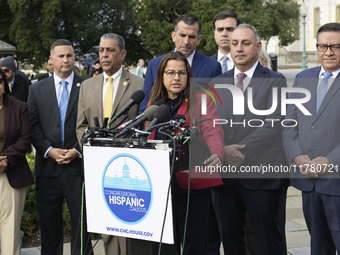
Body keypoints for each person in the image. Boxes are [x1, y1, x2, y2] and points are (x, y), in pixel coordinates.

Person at [211, 24, 287, 255]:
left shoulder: (275, 80)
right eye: (234, 44)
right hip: (225, 179)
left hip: (261, 175)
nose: (239, 49)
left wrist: (236, 151)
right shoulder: (216, 82)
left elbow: (273, 123)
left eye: (245, 43)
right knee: (232, 241)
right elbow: (209, 124)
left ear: (258, 47)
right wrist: (222, 150)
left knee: (266, 241)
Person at [146, 51, 224, 255]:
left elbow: (213, 129)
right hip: (161, 186)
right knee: (164, 247)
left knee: (194, 245)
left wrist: (216, 152)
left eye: (181, 73)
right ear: (161, 76)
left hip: (193, 184)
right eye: (170, 72)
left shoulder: (201, 99)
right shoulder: (154, 105)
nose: (176, 78)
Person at [76, 33, 144, 255]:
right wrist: (92, 150)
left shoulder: (140, 84)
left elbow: (145, 124)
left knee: (130, 227)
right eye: (101, 50)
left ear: (123, 54)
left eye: (110, 50)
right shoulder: (87, 86)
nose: (104, 55)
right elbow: (81, 125)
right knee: (108, 229)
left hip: (130, 166)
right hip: (100, 168)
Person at [27, 39, 93, 255]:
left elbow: (92, 124)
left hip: (78, 169)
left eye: (70, 55)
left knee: (81, 226)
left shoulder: (87, 86)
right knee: (49, 228)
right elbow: (33, 125)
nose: (66, 60)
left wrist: (77, 150)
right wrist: (48, 150)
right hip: (48, 169)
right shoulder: (36, 90)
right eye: (61, 56)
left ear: (75, 58)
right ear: (51, 60)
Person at [282, 22, 340, 255]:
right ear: (316, 47)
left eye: (335, 46)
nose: (329, 51)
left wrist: (329, 160)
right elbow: (289, 124)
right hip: (307, 181)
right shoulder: (302, 77)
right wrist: (298, 156)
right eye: (323, 46)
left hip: (336, 180)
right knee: (318, 246)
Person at [139, 13, 222, 113]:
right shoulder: (155, 65)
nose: (186, 41)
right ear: (173, 36)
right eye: (182, 35)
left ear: (198, 39)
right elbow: (145, 108)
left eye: (191, 37)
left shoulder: (212, 67)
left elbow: (216, 109)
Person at [0, 68, 34, 255]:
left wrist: (6, 159)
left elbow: (25, 138)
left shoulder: (19, 107)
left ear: (5, 84)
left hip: (11, 173)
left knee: (9, 229)